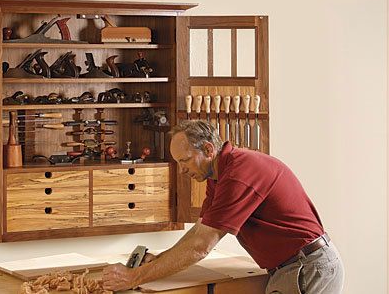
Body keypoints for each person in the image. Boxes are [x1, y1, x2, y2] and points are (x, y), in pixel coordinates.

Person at [102, 120, 344, 293]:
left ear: (208, 149)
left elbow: (200, 247)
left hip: (307, 268)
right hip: (291, 267)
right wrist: (158, 260)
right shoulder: (218, 176)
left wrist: (134, 277)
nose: (182, 169)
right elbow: (200, 231)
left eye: (185, 160)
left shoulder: (240, 172)